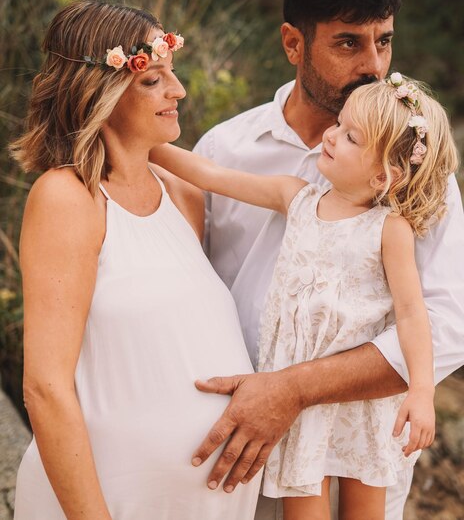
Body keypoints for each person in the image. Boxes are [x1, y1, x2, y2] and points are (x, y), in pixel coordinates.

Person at [188, 0, 464, 518]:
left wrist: (292, 390)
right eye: (348, 43)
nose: (375, 67)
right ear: (294, 42)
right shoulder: (229, 150)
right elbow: (189, 288)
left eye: (384, 41)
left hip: (360, 445)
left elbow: (445, 321)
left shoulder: (413, 168)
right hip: (234, 451)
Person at [152, 73, 458, 518]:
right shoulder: (293, 197)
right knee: (303, 507)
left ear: (383, 175)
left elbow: (413, 316)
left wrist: (423, 392)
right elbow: (210, 174)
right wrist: (138, 137)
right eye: (339, 124)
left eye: (350, 136)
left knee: (365, 510)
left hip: (361, 403)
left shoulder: (390, 229)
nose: (330, 137)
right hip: (299, 397)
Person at [10, 0, 260, 520]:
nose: (179, 92)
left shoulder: (182, 194)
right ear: (97, 90)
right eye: (153, 80)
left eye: (174, 75)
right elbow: (45, 387)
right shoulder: (68, 198)